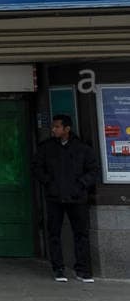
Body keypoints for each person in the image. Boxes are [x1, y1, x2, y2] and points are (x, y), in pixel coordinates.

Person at [32, 114, 99, 282]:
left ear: (67, 129)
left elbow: (93, 170)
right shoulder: (47, 148)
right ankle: (58, 268)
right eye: (53, 127)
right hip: (55, 197)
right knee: (54, 232)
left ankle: (82, 269)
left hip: (77, 198)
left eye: (57, 127)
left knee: (81, 233)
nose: (53, 130)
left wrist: (81, 185)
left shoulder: (82, 148)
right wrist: (49, 183)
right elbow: (37, 167)